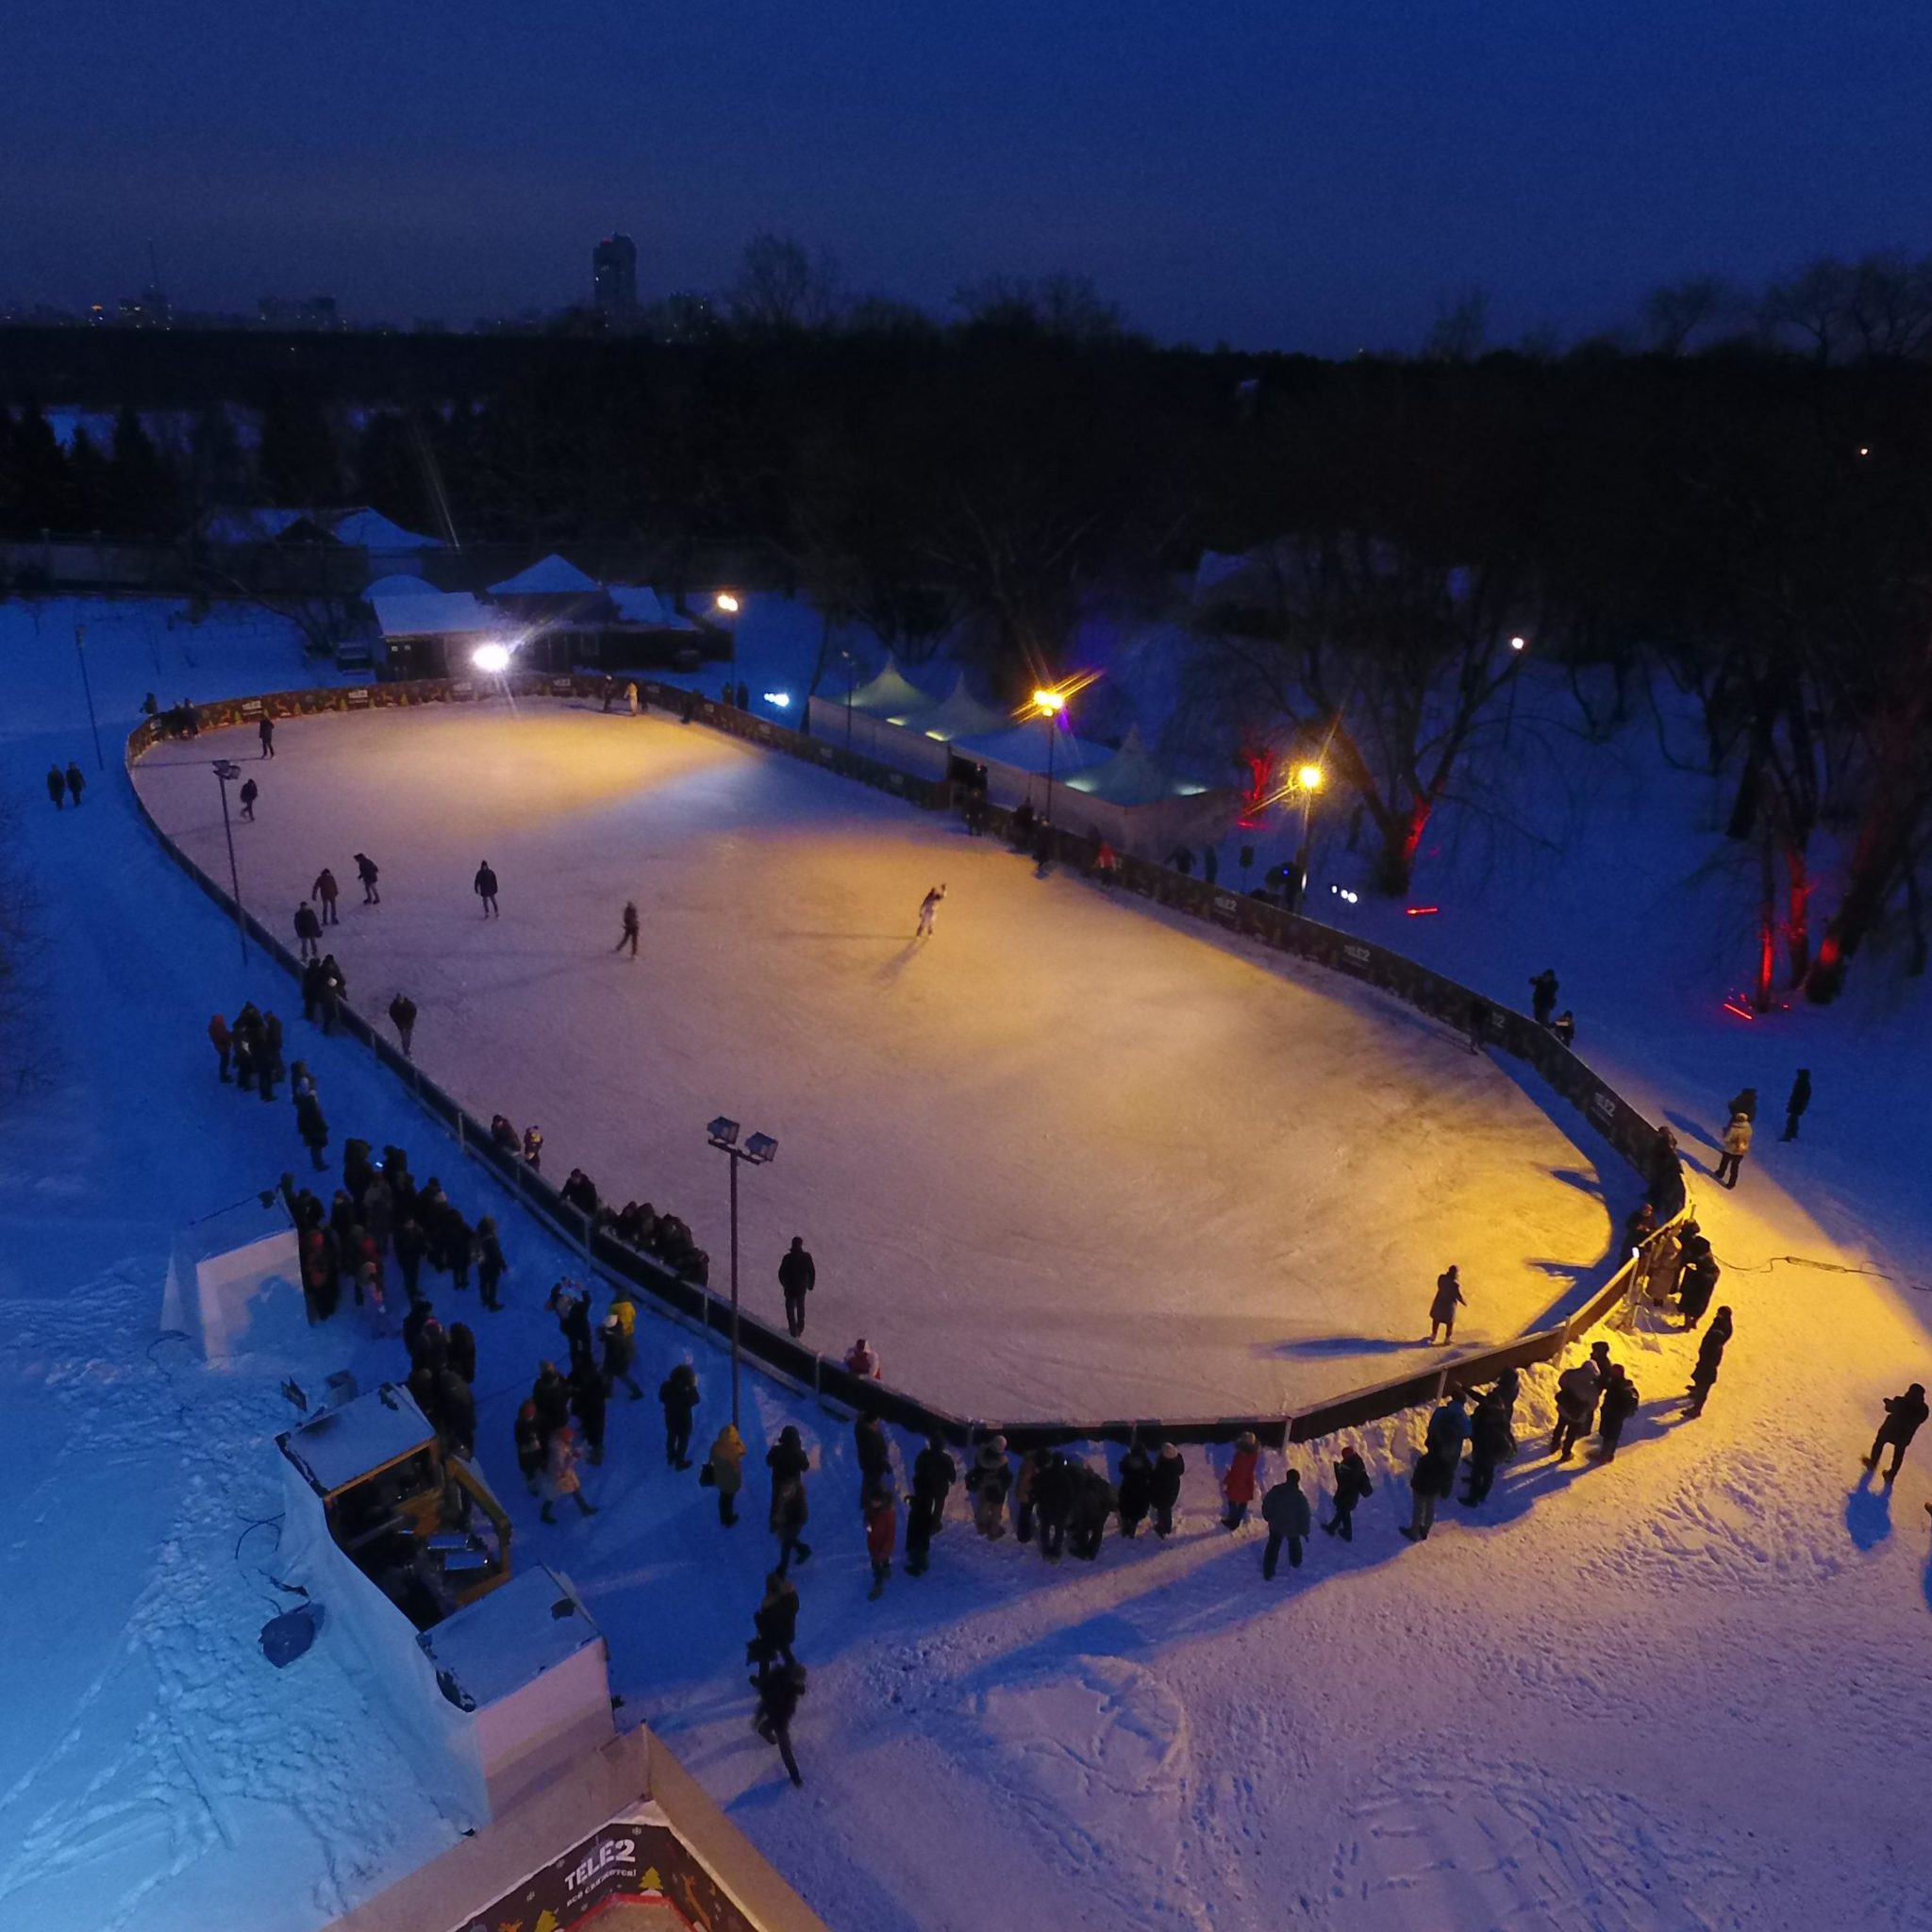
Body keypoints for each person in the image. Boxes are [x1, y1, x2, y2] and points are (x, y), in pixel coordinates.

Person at [751, 1655, 806, 1788]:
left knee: (767, 1726)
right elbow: (765, 1703)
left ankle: (764, 1730)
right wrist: (758, 1717)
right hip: (779, 1718)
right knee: (785, 1749)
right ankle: (795, 1776)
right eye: (799, 1681)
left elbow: (798, 1689)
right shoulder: (776, 1687)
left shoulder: (787, 1679)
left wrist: (799, 1689)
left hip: (780, 1715)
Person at [907, 1434, 957, 1575]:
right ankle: (934, 1524)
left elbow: (917, 1469)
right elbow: (953, 1476)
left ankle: (928, 1527)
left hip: (925, 1490)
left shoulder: (924, 1456)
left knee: (924, 1511)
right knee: (938, 1507)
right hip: (940, 1489)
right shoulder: (946, 1458)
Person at [1863, 1383, 1929, 1486]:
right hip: (1904, 1436)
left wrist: (1888, 1402)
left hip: (1889, 1430)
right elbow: (1920, 1419)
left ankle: (1873, 1462)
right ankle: (1891, 1475)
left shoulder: (1900, 1401)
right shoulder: (1924, 1410)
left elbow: (1889, 1408)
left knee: (1879, 1443)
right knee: (1899, 1454)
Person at [1463, 1387, 1516, 1504]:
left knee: (1479, 1469)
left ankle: (1473, 1498)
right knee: (1488, 1472)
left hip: (1485, 1445)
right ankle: (1482, 1494)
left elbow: (1480, 1426)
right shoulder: (1502, 1413)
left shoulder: (1489, 1413)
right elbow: (1506, 1432)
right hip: (1494, 1448)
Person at [1260, 1469, 1311, 1578]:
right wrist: (1304, 1531)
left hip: (1276, 1525)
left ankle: (1268, 1571)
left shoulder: (1277, 1490)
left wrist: (1267, 1516)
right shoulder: (1300, 1498)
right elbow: (1304, 1516)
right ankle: (1296, 1563)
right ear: (1298, 1480)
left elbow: (1267, 1503)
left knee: (1273, 1547)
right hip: (1292, 1529)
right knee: (1295, 1544)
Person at [541, 1424, 598, 1523]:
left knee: (575, 1489)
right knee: (552, 1494)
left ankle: (584, 1508)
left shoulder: (561, 1445)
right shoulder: (558, 1450)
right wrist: (575, 1456)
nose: (571, 1440)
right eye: (570, 1438)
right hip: (558, 1476)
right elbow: (562, 1466)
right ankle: (544, 1513)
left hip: (565, 1475)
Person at [1685, 1307, 1733, 1417]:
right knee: (1698, 1378)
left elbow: (1712, 1358)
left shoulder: (1717, 1343)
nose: (1717, 1315)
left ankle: (1696, 1409)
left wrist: (1705, 1356)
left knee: (1703, 1386)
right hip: (1704, 1361)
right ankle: (1696, 1391)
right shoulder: (1718, 1324)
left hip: (1707, 1367)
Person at [1551, 1357, 1601, 1461]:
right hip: (1577, 1415)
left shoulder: (1571, 1373)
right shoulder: (1591, 1387)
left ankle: (1554, 1444)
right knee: (1571, 1433)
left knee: (1560, 1425)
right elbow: (1593, 1404)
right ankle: (1566, 1454)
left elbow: (1561, 1382)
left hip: (1564, 1408)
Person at [1401, 1445, 1454, 1541]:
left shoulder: (1425, 1460)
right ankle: (1425, 1530)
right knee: (1430, 1508)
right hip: (1433, 1489)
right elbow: (1448, 1478)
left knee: (1418, 1509)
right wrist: (1443, 1490)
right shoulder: (1446, 1463)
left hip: (1421, 1488)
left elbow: (1418, 1474)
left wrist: (1413, 1484)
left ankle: (1414, 1532)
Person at [1324, 1447, 1373, 1540]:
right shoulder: (1357, 1462)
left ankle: (1345, 1533)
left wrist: (1337, 1469)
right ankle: (1334, 1528)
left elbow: (1343, 1480)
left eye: (1344, 1456)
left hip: (1347, 1494)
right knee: (1343, 1512)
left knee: (1343, 1512)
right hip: (1351, 1495)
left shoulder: (1351, 1466)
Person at [754, 1570, 800, 1669]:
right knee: (786, 1652)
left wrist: (758, 1618)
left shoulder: (769, 1606)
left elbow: (765, 1623)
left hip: (774, 1635)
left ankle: (763, 1679)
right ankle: (793, 1671)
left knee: (764, 1654)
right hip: (788, 1631)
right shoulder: (790, 1598)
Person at [966, 1438, 1010, 1539]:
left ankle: (982, 1527)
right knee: (996, 1510)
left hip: (984, 1485)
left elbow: (977, 1469)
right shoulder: (1001, 1461)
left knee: (984, 1506)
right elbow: (1005, 1475)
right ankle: (994, 1531)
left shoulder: (982, 1455)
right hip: (997, 1488)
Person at [1593, 1365, 1641, 1460]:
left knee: (1608, 1434)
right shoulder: (1626, 1384)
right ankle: (1610, 1454)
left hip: (1611, 1413)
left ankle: (1604, 1455)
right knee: (1614, 1434)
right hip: (1620, 1415)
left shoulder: (1614, 1384)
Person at [1034, 1452, 1074, 1560]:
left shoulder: (1044, 1474)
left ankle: (1046, 1549)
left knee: (1045, 1528)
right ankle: (1056, 1550)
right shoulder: (1065, 1477)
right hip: (1060, 1509)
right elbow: (1069, 1495)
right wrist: (1068, 1508)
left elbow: (1037, 1490)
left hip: (1045, 1507)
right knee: (1059, 1530)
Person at [659, 1362, 699, 1469]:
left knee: (671, 1436)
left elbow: (661, 1398)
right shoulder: (686, 1392)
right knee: (683, 1441)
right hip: (683, 1420)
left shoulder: (666, 1386)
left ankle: (671, 1456)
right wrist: (693, 1388)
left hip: (670, 1417)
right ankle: (679, 1462)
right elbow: (696, 1400)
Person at [707, 1422, 746, 1525]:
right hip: (731, 1480)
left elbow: (711, 1459)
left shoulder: (716, 1446)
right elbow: (743, 1451)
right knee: (728, 1499)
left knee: (723, 1497)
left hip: (719, 1476)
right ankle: (727, 1520)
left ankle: (723, 1516)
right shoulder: (735, 1449)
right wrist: (738, 1442)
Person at [569, 1359, 607, 1466]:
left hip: (593, 1411)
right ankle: (595, 1450)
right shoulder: (595, 1380)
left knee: (595, 1435)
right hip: (594, 1411)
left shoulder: (591, 1382)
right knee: (594, 1432)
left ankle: (597, 1457)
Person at [863, 1485, 897, 1599]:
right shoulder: (871, 1509)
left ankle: (878, 1585)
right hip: (873, 1539)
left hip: (884, 1542)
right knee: (877, 1559)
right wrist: (867, 1524)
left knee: (877, 1562)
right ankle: (886, 1568)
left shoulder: (888, 1513)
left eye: (876, 1501)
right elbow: (867, 1518)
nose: (874, 1503)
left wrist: (886, 1550)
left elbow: (890, 1534)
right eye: (873, 1501)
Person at [1222, 1431, 1259, 1530]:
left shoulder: (1241, 1457)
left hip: (1237, 1483)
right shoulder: (1253, 1455)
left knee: (1232, 1501)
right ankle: (1237, 1520)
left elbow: (1236, 1471)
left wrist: (1227, 1480)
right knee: (1243, 1502)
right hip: (1247, 1482)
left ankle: (1233, 1521)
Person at [778, 1236, 815, 1338]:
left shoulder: (787, 1258)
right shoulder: (806, 1257)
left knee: (790, 1310)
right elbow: (812, 1271)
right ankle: (799, 1328)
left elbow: (781, 1273)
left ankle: (793, 1331)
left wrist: (784, 1284)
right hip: (801, 1289)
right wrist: (810, 1285)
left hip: (790, 1289)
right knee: (800, 1308)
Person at [854, 1411, 891, 1507]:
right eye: (875, 1422)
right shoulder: (870, 1438)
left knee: (869, 1484)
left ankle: (868, 1504)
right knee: (872, 1485)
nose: (877, 1424)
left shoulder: (862, 1429)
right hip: (873, 1468)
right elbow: (874, 1456)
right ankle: (871, 1505)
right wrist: (884, 1464)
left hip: (870, 1466)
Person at [1116, 1441, 1154, 1539]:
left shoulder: (1128, 1458)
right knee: (1137, 1509)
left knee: (1126, 1506)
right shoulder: (1146, 1461)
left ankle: (1125, 1527)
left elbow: (1121, 1468)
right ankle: (1132, 1526)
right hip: (1141, 1488)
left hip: (1127, 1486)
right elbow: (1150, 1472)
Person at [600, 1313, 641, 1399]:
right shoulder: (617, 1332)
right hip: (618, 1360)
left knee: (616, 1375)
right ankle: (608, 1392)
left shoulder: (613, 1338)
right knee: (613, 1375)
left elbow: (611, 1348)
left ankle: (636, 1391)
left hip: (616, 1361)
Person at [1150, 1441, 1184, 1538]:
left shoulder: (1163, 1468)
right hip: (1172, 1491)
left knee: (1163, 1511)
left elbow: (1156, 1481)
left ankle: (1163, 1528)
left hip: (1163, 1495)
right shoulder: (1177, 1461)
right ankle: (1167, 1527)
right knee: (1167, 1510)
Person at [1713, 1111, 1753, 1189]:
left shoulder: (1733, 1128)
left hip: (1730, 1149)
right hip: (1740, 1151)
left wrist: (1724, 1132)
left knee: (1724, 1162)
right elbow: (1748, 1137)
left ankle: (1720, 1173)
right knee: (1735, 1167)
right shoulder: (1748, 1128)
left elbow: (1727, 1139)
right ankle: (1731, 1183)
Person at [513, 1402, 545, 1494]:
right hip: (527, 1452)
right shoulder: (520, 1424)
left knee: (536, 1464)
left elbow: (540, 1429)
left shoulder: (536, 1419)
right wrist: (530, 1438)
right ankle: (532, 1487)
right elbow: (518, 1439)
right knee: (529, 1471)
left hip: (535, 1449)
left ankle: (535, 1477)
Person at [1428, 1265, 1465, 1345]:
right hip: (1449, 1306)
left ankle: (1433, 1335)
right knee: (1449, 1323)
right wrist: (1464, 1302)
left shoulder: (1441, 1278)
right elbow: (1458, 1295)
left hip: (1439, 1302)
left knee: (1436, 1319)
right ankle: (1447, 1339)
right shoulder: (1455, 1284)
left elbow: (1439, 1285)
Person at [475, 1216, 505, 1310]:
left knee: (483, 1282)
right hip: (492, 1268)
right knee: (492, 1285)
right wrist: (503, 1265)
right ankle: (492, 1303)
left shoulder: (479, 1238)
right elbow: (497, 1255)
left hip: (482, 1266)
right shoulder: (492, 1241)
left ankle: (484, 1299)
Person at [1781, 1069, 1811, 1141]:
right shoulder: (1804, 1084)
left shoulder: (1802, 1084)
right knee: (1794, 1119)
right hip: (1797, 1105)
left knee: (1792, 1120)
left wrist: (1794, 1105)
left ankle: (1788, 1135)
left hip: (1797, 1105)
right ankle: (1793, 1133)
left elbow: (1797, 1096)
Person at [389, 992, 416, 1058]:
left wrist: (411, 1020)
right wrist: (398, 1023)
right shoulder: (394, 1006)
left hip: (408, 1024)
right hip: (401, 1026)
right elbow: (392, 1015)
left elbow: (414, 1012)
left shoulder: (409, 1005)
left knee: (408, 1037)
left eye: (401, 1000)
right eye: (399, 1000)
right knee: (404, 1038)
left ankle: (407, 1049)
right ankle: (406, 1051)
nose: (400, 1001)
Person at [208, 1012, 232, 1082]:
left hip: (221, 1046)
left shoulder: (216, 1025)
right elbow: (223, 1035)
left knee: (224, 1060)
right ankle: (223, 1076)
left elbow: (224, 1033)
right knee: (225, 1060)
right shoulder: (218, 1026)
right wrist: (230, 1037)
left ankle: (223, 1074)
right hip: (223, 1046)